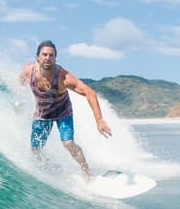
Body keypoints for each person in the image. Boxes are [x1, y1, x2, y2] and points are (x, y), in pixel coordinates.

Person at [20, 40, 112, 178]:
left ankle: (87, 172)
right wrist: (18, 97)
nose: (47, 58)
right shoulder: (29, 71)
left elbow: (89, 92)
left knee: (68, 143)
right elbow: (20, 81)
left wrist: (99, 120)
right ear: (37, 57)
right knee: (35, 150)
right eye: (44, 55)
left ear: (55, 58)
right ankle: (50, 168)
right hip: (42, 114)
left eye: (51, 55)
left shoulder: (63, 78)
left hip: (63, 111)